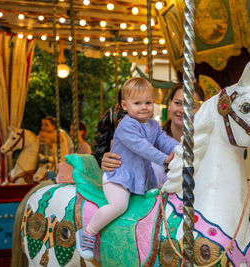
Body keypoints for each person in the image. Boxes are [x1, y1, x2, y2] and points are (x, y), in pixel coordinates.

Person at [76, 77, 178, 260]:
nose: (143, 107)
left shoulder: (154, 125)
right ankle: (89, 232)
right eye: (137, 103)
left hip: (141, 179)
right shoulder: (126, 126)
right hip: (119, 178)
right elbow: (142, 147)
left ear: (154, 103)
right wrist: (165, 159)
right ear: (125, 105)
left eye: (147, 102)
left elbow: (164, 141)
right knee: (119, 205)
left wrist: (180, 149)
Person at [99, 82, 205, 180]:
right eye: (178, 103)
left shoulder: (205, 145)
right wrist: (111, 161)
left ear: (201, 109)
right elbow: (137, 148)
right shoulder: (148, 136)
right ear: (169, 104)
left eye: (191, 106)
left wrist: (184, 152)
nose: (182, 110)